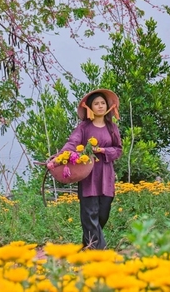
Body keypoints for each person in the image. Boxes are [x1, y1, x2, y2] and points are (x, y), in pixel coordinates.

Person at [48, 89, 123, 249]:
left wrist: (103, 151)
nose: (100, 106)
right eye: (96, 103)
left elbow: (118, 149)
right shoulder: (83, 127)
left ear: (108, 106)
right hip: (88, 174)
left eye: (103, 103)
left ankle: (87, 245)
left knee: (103, 213)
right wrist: (57, 159)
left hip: (106, 174)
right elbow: (72, 143)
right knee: (90, 214)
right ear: (90, 107)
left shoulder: (112, 128)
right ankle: (99, 252)